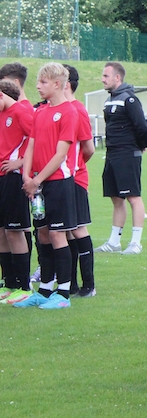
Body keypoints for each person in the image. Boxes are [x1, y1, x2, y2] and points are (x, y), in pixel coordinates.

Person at [14, 62, 79, 309]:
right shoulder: (39, 112)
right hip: (37, 184)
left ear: (57, 84)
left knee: (57, 234)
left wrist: (37, 180)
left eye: (43, 82)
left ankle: (63, 293)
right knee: (42, 234)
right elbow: (31, 144)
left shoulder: (69, 112)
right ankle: (45, 289)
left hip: (58, 182)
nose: (38, 86)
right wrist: (26, 176)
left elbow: (61, 154)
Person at [96, 62, 147, 254]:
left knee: (133, 197)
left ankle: (136, 243)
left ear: (117, 77)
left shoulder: (130, 99)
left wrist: (140, 146)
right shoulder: (110, 100)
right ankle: (114, 242)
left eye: (106, 76)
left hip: (127, 154)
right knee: (116, 198)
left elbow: (141, 126)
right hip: (112, 154)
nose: (102, 79)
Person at [0, 73, 34, 302]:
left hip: (13, 178)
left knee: (14, 231)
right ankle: (9, 283)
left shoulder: (21, 112)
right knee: (2, 231)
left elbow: (38, 141)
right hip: (1, 177)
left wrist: (20, 162)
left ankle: (25, 286)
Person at [64, 66, 96, 298]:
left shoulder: (77, 110)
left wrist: (74, 167)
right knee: (64, 230)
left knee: (77, 228)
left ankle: (89, 284)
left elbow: (89, 148)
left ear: (65, 83)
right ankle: (71, 284)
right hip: (59, 179)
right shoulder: (58, 109)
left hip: (74, 178)